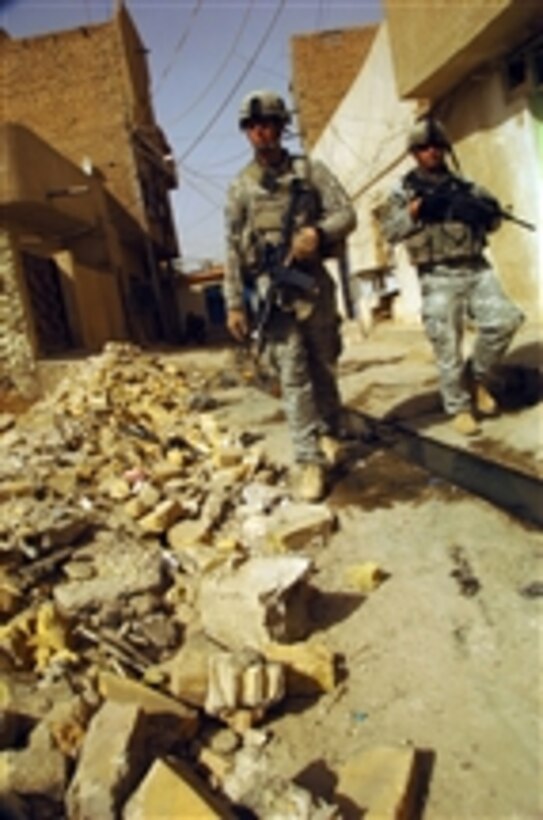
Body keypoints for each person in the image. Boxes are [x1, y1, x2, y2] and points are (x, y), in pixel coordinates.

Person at [223, 89, 357, 501]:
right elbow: (231, 247)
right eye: (254, 126)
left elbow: (346, 214)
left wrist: (317, 233)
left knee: (324, 367)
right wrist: (234, 303)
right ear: (248, 133)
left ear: (282, 128)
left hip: (312, 287)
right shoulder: (241, 187)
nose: (262, 132)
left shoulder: (309, 172)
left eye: (270, 124)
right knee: (293, 376)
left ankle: (330, 433)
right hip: (274, 294)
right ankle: (307, 460)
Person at [380, 117, 524, 435]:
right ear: (414, 154)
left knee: (505, 320)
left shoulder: (466, 186)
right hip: (437, 275)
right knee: (446, 344)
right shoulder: (403, 193)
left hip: (476, 266)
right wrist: (415, 212)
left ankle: (475, 378)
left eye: (436, 146)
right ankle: (459, 408)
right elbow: (389, 230)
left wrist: (484, 212)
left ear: (444, 149)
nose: (431, 152)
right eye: (423, 148)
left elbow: (493, 219)